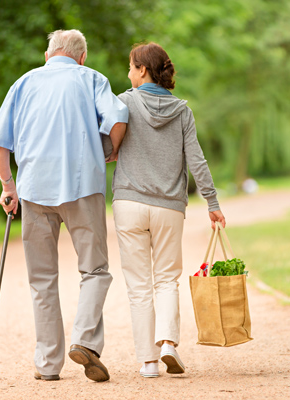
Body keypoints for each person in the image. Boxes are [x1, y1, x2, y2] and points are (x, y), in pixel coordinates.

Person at [0, 29, 128, 382]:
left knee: (42, 279)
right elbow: (118, 119)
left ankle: (48, 365)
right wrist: (108, 152)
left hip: (34, 190)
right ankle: (84, 340)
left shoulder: (23, 83)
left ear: (48, 54)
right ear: (81, 57)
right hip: (82, 187)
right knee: (95, 270)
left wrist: (9, 186)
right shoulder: (92, 79)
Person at [111, 42, 225, 378]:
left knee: (138, 284)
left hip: (129, 203)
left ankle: (147, 362)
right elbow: (197, 161)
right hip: (169, 208)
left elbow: (107, 146)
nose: (129, 73)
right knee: (166, 280)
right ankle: (169, 345)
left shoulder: (124, 103)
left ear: (143, 70)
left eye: (131, 67)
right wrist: (213, 203)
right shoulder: (183, 111)